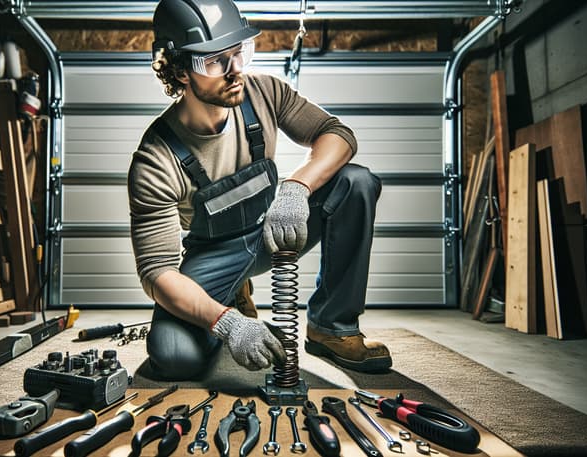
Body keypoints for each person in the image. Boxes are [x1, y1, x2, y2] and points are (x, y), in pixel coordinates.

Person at [128, 0, 391, 380]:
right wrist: (226, 323)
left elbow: (338, 135)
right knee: (174, 357)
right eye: (217, 61)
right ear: (182, 70)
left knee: (356, 182)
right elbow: (157, 272)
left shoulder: (263, 93)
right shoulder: (155, 158)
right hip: (213, 256)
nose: (236, 71)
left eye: (240, 53)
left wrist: (297, 188)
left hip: (274, 229)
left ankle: (331, 328)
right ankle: (231, 300)